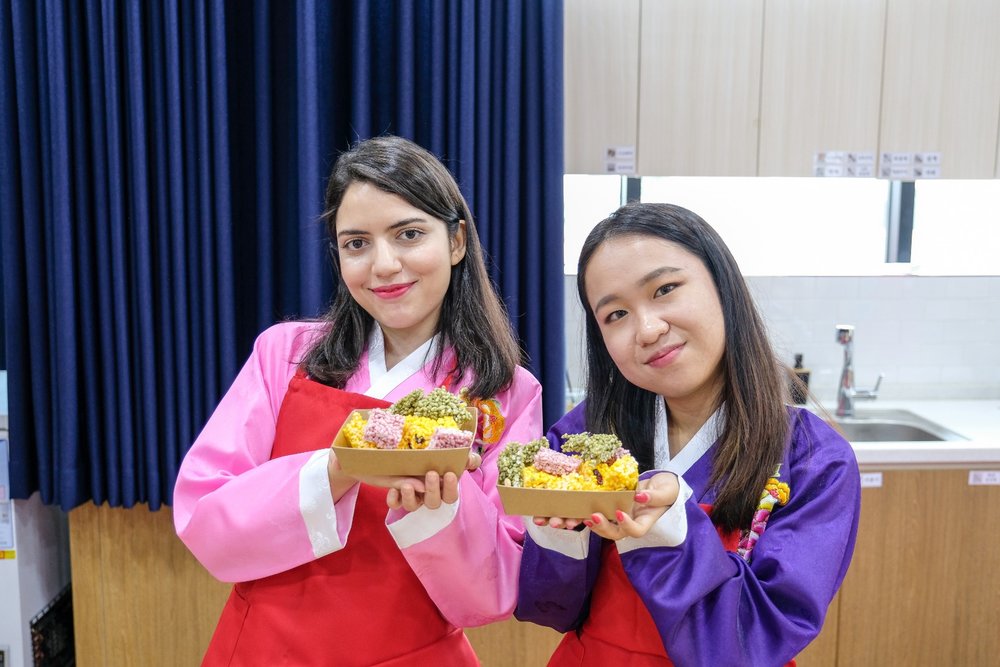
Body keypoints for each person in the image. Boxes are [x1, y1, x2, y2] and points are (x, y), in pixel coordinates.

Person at [174, 135, 542, 666]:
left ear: (457, 241)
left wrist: (439, 511)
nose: (384, 265)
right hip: (265, 649)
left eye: (409, 234)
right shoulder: (286, 354)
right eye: (356, 243)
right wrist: (338, 468)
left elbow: (496, 591)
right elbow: (205, 522)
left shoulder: (505, 391)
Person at [516, 202, 860, 666]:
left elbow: (756, 638)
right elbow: (549, 608)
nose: (648, 329)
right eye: (615, 315)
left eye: (665, 289)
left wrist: (668, 527)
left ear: (723, 285)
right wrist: (560, 536)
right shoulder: (585, 435)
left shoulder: (813, 458)